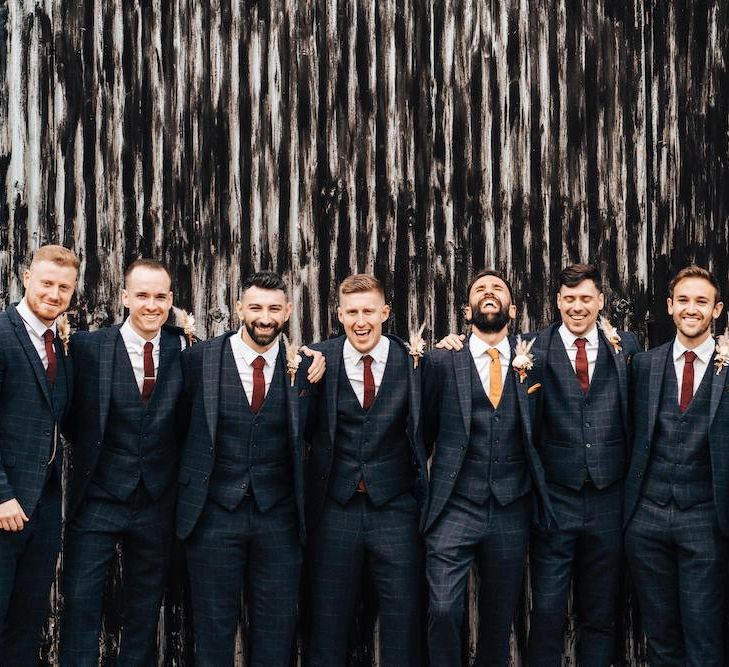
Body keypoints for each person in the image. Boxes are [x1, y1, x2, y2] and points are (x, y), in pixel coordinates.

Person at [436, 263, 639, 666]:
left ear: (600, 301)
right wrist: (451, 343)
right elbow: (485, 344)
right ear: (557, 302)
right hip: (553, 501)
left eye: (586, 298)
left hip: (608, 499)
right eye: (569, 299)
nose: (577, 307)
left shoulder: (626, 348)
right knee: (545, 610)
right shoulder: (531, 349)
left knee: (600, 614)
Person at [176, 270, 324, 666]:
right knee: (212, 631)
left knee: (276, 632)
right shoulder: (197, 360)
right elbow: (175, 429)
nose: (264, 317)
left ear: (288, 311)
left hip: (279, 519)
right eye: (255, 307)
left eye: (275, 308)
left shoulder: (307, 367)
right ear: (240, 308)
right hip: (212, 517)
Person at [60, 259, 189, 665]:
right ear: (125, 297)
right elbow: (68, 415)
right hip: (98, 496)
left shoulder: (185, 348)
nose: (151, 305)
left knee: (144, 609)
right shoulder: (86, 348)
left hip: (156, 500)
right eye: (142, 295)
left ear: (170, 300)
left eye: (160, 297)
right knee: (80, 604)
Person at [422, 269, 553, 665]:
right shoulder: (441, 360)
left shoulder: (536, 362)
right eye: (480, 289)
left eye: (498, 288)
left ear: (512, 308)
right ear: (467, 310)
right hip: (455, 506)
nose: (489, 292)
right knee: (443, 608)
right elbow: (422, 429)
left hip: (511, 506)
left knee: (499, 620)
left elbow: (546, 426)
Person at [304, 274, 428, 667]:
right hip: (335, 509)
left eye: (369, 311)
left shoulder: (415, 361)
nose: (361, 321)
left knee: (403, 619)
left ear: (385, 313)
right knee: (327, 621)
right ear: (339, 315)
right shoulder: (317, 360)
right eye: (352, 312)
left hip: (395, 509)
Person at [625, 266, 728, 666]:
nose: (691, 308)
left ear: (716, 309)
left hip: (705, 519)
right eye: (683, 300)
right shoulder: (643, 365)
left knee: (704, 636)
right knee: (661, 636)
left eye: (701, 301)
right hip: (646, 520)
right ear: (669, 306)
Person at [0, 244, 79, 665]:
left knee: (26, 622)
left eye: (63, 287)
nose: (54, 293)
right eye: (46, 283)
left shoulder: (59, 343)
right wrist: (0, 495)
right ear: (26, 277)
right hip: (5, 503)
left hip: (43, 506)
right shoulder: (2, 333)